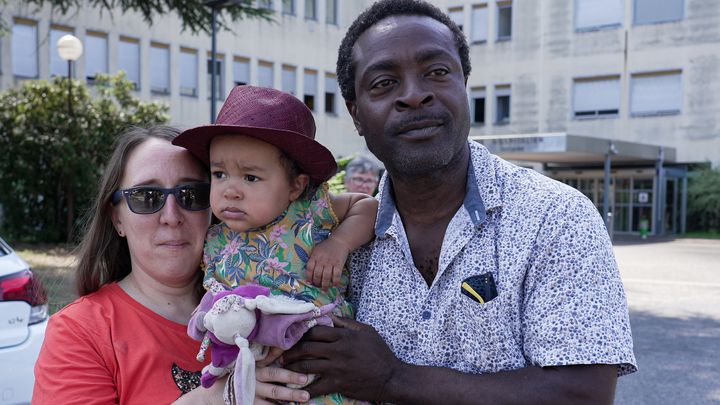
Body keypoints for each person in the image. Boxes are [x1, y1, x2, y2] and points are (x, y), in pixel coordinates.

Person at [280, 0, 638, 403]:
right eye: (384, 83)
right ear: (356, 115)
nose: (414, 96)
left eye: (436, 72)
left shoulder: (554, 217)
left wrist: (391, 378)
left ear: (463, 84)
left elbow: (582, 395)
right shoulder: (333, 240)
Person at [32, 126, 310, 405]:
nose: (171, 216)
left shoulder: (272, 302)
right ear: (117, 218)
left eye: (192, 194)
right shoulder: (80, 331)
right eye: (146, 197)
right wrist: (213, 398)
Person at [172, 85, 377, 404]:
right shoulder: (214, 239)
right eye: (219, 174)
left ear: (296, 186)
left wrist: (338, 243)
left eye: (250, 178)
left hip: (320, 366)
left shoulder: (307, 212)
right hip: (253, 376)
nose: (231, 190)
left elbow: (368, 206)